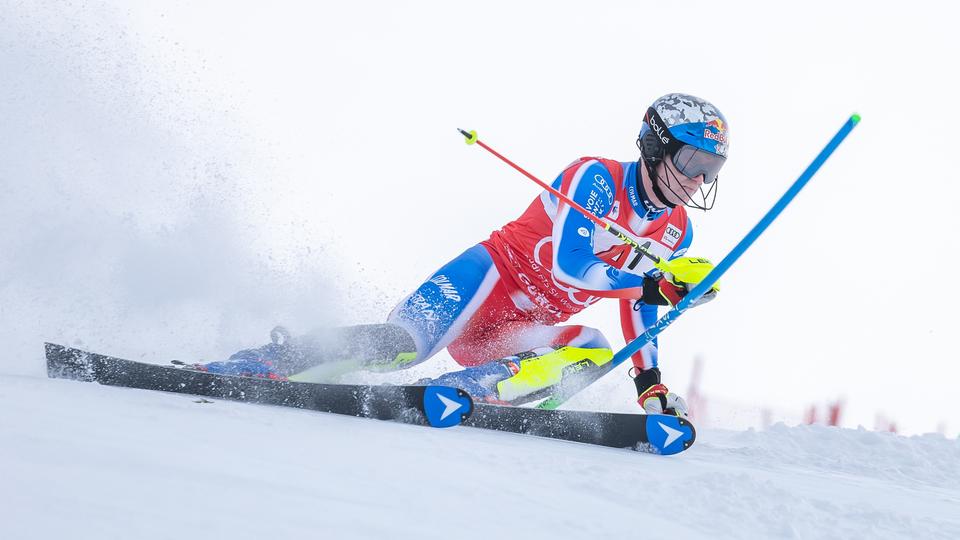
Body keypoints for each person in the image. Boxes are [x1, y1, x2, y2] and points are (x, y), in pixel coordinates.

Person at [200, 93, 729, 417]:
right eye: (692, 159)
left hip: (518, 331)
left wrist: (649, 383)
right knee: (398, 346)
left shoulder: (676, 232)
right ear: (656, 146)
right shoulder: (595, 178)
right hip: (483, 284)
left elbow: (639, 306)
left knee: (593, 348)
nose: (700, 178)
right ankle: (260, 363)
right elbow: (571, 267)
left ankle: (456, 393)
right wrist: (658, 285)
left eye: (712, 167)